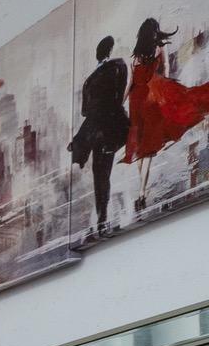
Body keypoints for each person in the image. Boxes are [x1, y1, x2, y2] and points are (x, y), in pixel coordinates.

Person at [125, 17, 209, 211]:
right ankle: (142, 193)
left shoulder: (134, 57)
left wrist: (121, 103)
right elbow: (166, 71)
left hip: (136, 102)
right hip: (152, 97)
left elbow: (129, 85)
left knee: (140, 147)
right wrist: (165, 90)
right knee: (148, 149)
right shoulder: (158, 49)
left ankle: (142, 190)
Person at [69, 34, 129, 241]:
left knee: (99, 175)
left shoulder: (90, 80)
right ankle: (103, 218)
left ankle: (103, 217)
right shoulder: (119, 67)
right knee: (104, 174)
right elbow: (119, 98)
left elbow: (85, 111)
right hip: (111, 128)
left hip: (96, 131)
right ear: (110, 50)